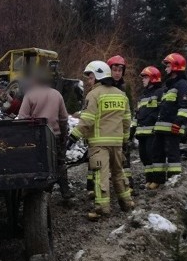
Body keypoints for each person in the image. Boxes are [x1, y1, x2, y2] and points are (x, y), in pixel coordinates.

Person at [69, 61, 134, 220]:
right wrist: (124, 140)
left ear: (98, 76)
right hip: (117, 143)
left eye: (90, 77)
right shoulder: (121, 95)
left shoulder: (94, 94)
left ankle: (102, 209)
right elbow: (127, 121)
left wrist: (73, 137)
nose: (89, 81)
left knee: (101, 176)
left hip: (99, 144)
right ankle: (127, 203)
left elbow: (87, 121)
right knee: (119, 173)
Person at [17, 70, 71, 200]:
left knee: (36, 165)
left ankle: (34, 192)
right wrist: (63, 134)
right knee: (59, 163)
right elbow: (64, 118)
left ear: (35, 81)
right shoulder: (57, 95)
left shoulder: (30, 95)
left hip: (36, 138)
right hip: (54, 136)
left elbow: (22, 119)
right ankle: (66, 192)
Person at [151, 52, 187, 187]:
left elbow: (184, 107)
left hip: (173, 127)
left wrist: (178, 123)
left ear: (175, 66)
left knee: (173, 155)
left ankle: (174, 181)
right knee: (157, 153)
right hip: (161, 128)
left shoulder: (182, 85)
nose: (166, 68)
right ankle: (158, 180)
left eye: (168, 65)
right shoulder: (168, 87)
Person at [106, 55, 135, 193]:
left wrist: (127, 133)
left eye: (120, 70)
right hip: (105, 131)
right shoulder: (103, 86)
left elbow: (127, 113)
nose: (117, 73)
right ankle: (93, 187)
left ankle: (128, 186)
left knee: (124, 160)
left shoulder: (124, 88)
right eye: (115, 69)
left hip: (119, 131)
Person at [133, 65, 164, 189]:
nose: (143, 80)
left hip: (153, 132)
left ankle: (157, 180)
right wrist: (132, 129)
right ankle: (149, 179)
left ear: (153, 79)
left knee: (153, 156)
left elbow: (163, 110)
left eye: (145, 77)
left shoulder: (159, 93)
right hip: (142, 133)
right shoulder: (143, 96)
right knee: (144, 156)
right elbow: (137, 114)